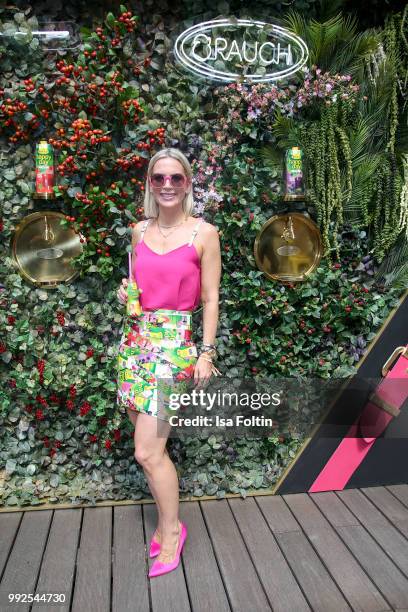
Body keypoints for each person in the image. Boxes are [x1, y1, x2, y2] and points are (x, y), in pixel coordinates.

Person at [116, 147, 221, 578]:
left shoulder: (204, 234)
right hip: (134, 345)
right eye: (158, 177)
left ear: (188, 183)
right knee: (148, 448)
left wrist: (206, 351)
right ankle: (166, 522)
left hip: (174, 348)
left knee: (147, 451)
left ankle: (173, 532)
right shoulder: (138, 231)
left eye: (175, 178)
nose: (166, 185)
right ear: (149, 183)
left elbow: (211, 298)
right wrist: (126, 298)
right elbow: (135, 290)